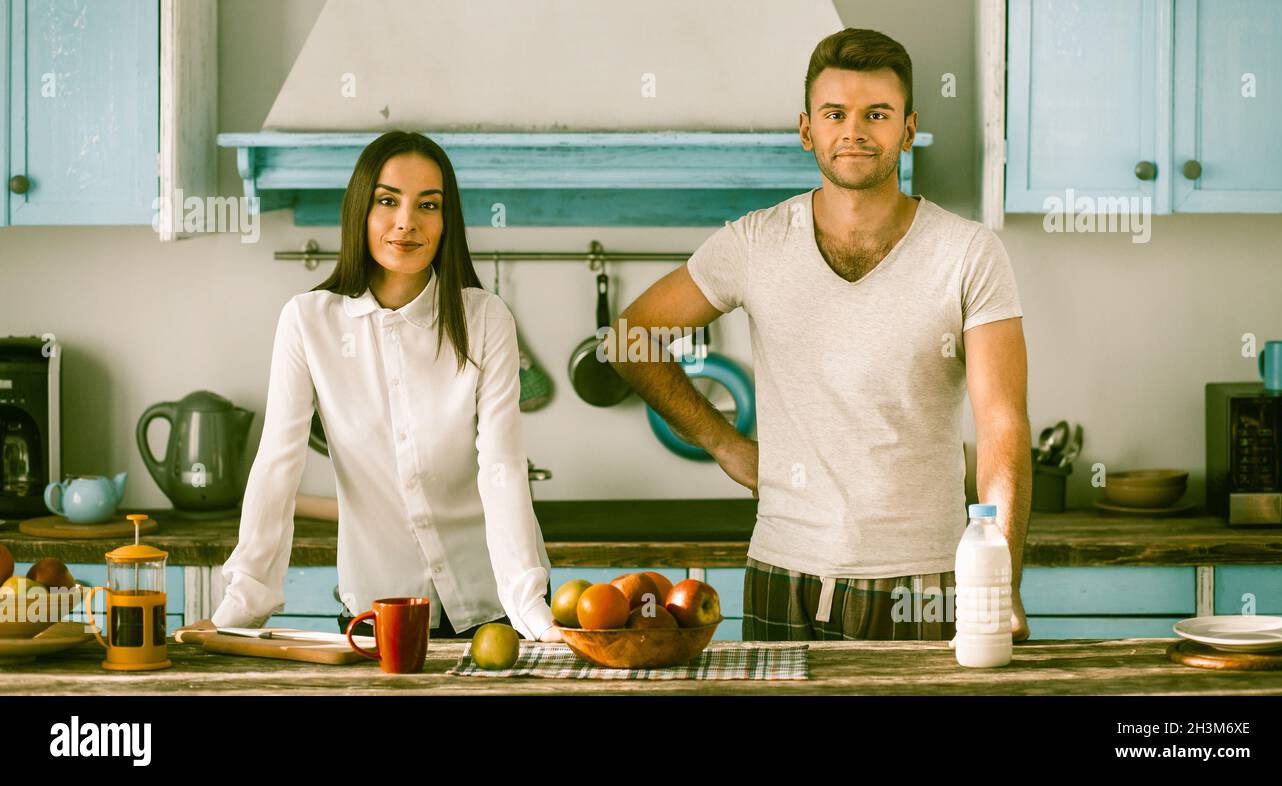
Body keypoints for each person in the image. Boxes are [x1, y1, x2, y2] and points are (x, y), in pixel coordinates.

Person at [608, 29, 1032, 642]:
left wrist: (1001, 582)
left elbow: (1003, 425)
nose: (854, 131)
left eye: (876, 114)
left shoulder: (968, 253)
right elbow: (632, 337)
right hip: (785, 570)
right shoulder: (755, 243)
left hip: (929, 581)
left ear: (907, 129)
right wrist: (725, 445)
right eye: (835, 113)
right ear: (808, 129)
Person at [176, 131, 562, 643]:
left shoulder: (486, 319)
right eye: (387, 201)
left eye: (429, 204)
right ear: (361, 210)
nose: (407, 222)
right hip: (378, 611)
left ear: (447, 223)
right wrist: (241, 608)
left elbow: (501, 469)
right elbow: (277, 468)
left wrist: (529, 609)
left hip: (497, 605)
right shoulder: (307, 322)